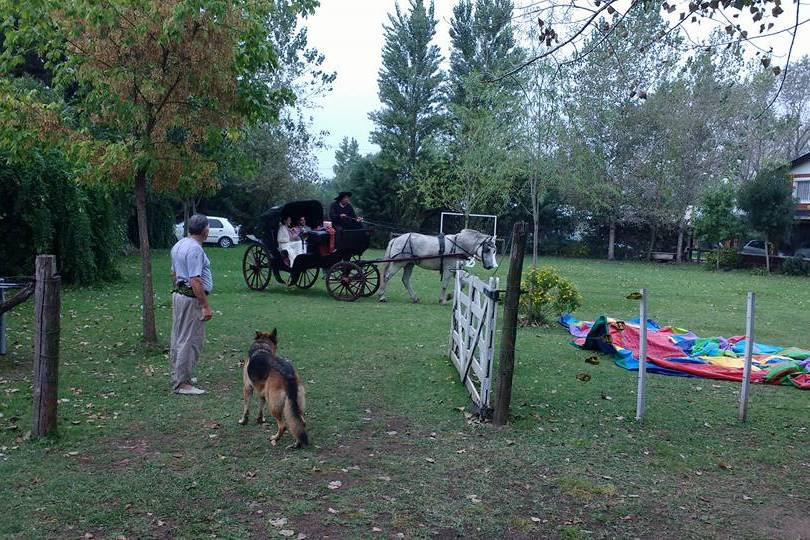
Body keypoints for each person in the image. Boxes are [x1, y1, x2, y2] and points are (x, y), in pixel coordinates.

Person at [170, 214, 213, 395]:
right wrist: (204, 305)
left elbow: (173, 273)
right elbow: (195, 280)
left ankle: (179, 375)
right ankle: (183, 384)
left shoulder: (179, 245)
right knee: (189, 339)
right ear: (205, 231)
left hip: (180, 296)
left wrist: (179, 291)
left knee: (178, 337)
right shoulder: (195, 249)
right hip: (191, 299)